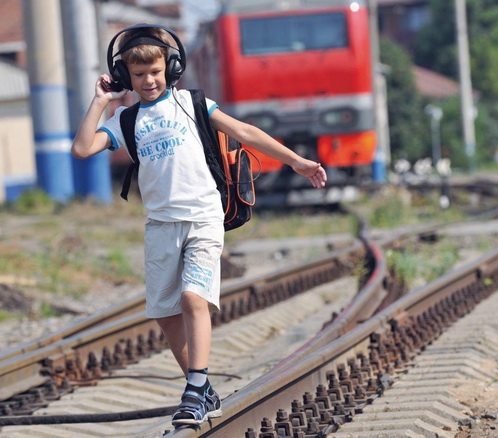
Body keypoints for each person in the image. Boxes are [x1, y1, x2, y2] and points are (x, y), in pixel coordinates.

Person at [71, 23, 327, 427]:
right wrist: (100, 100)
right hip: (160, 226)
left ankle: (195, 386)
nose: (148, 81)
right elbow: (83, 148)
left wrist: (296, 161)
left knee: (194, 299)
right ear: (125, 78)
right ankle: (202, 390)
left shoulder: (192, 103)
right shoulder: (125, 118)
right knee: (165, 313)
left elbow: (243, 131)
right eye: (138, 75)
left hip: (204, 217)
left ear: (171, 68)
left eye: (155, 72)